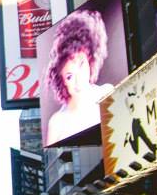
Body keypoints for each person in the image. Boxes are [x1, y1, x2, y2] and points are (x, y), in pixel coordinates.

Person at [44, 9, 113, 145]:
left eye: (81, 64)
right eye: (69, 76)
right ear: (62, 82)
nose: (79, 80)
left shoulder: (106, 93)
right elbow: (52, 163)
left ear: (90, 58)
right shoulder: (57, 122)